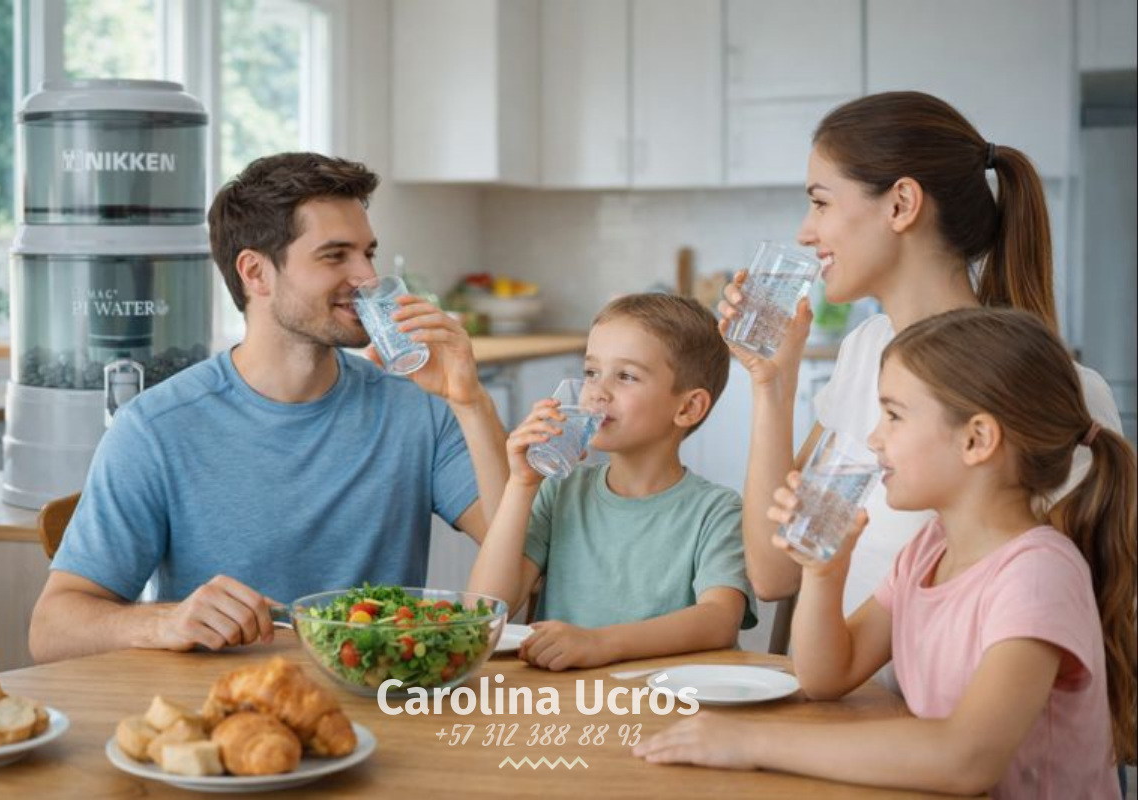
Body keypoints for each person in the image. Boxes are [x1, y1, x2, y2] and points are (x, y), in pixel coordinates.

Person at [634, 308, 1136, 798]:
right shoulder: (930, 550)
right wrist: (825, 573)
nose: (873, 438)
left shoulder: (1037, 575)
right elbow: (828, 676)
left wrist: (750, 741)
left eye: (893, 415)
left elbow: (968, 758)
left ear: (977, 439)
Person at [29, 153, 508, 663]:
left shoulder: (417, 407)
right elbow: (51, 631)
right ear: (256, 272)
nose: (367, 276)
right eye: (335, 256)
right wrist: (165, 620)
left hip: (383, 696)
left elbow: (520, 557)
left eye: (369, 253)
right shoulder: (156, 428)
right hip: (227, 713)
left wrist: (470, 400)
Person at [723, 91, 1122, 614]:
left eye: (820, 202)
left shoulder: (1048, 389)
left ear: (901, 204)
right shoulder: (865, 352)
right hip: (841, 692)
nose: (805, 231)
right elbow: (776, 573)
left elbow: (1080, 620)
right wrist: (772, 386)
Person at [467, 294, 757, 671]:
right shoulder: (560, 491)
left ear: (687, 408)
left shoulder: (716, 510)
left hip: (672, 709)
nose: (597, 392)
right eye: (591, 372)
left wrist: (601, 642)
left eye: (626, 376)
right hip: (570, 705)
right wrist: (520, 486)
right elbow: (483, 611)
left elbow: (719, 619)